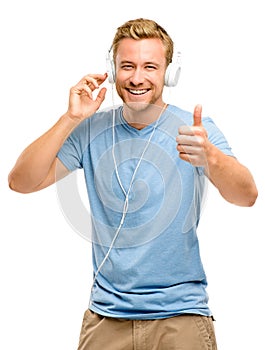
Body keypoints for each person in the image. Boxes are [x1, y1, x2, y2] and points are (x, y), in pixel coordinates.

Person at [8, 18, 258, 350]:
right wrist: (71, 118)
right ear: (112, 71)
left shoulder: (195, 129)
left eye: (149, 67)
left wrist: (210, 156)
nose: (137, 78)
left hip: (180, 316)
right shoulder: (91, 130)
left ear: (169, 73)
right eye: (127, 66)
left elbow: (247, 196)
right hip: (106, 318)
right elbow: (21, 182)